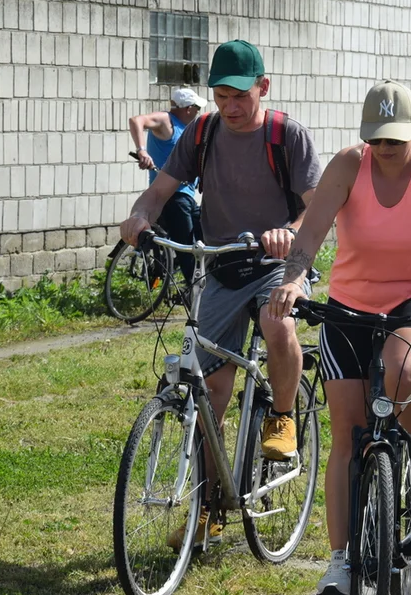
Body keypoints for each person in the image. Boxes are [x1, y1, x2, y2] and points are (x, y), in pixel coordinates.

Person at [266, 80, 411, 595]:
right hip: (352, 302)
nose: (384, 150)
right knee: (347, 429)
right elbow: (311, 235)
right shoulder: (348, 165)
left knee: (401, 370)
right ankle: (341, 560)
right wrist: (294, 279)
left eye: (394, 139)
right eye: (376, 140)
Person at [120, 40, 323, 548]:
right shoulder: (204, 132)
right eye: (221, 96)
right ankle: (209, 507)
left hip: (277, 263)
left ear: (263, 87)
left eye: (240, 95)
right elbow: (161, 188)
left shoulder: (286, 136)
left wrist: (288, 230)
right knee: (211, 392)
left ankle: (281, 419)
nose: (230, 106)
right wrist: (141, 214)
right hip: (222, 267)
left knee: (278, 325)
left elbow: (318, 211)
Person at [128, 88, 207, 282]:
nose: (198, 112)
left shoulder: (186, 127)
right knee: (188, 249)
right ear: (188, 108)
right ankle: (193, 293)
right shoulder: (166, 121)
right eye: (196, 108)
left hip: (186, 196)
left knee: (205, 237)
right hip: (173, 197)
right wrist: (142, 151)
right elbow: (136, 120)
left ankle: (203, 284)